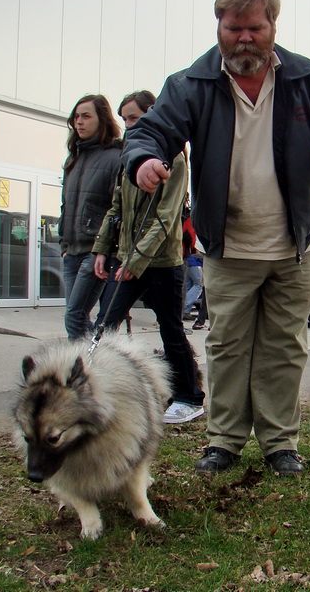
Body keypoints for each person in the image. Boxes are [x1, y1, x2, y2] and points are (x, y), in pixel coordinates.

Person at [121, 0, 310, 475]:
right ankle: (223, 441)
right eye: (233, 27)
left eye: (255, 28)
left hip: (295, 244)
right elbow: (151, 131)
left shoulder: (308, 79)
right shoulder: (190, 85)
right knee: (227, 345)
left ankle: (280, 443)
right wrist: (142, 159)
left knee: (284, 346)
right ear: (219, 26)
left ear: (273, 28)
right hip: (228, 246)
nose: (244, 37)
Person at [93, 90, 205, 424]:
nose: (128, 126)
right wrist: (103, 248)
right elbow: (117, 206)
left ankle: (190, 397)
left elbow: (166, 217)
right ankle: (103, 391)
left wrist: (135, 261)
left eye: (134, 118)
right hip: (126, 259)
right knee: (104, 325)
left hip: (162, 263)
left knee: (171, 330)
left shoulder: (176, 159)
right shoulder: (130, 157)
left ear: (153, 114)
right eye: (124, 119)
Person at [59, 95, 122, 340]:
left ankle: (82, 371)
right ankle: (90, 368)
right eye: (76, 117)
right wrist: (64, 243)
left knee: (74, 315)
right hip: (71, 251)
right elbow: (66, 205)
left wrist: (104, 249)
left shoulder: (115, 158)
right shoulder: (73, 159)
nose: (79, 122)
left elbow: (117, 209)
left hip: (95, 252)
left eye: (86, 116)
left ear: (102, 119)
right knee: (77, 316)